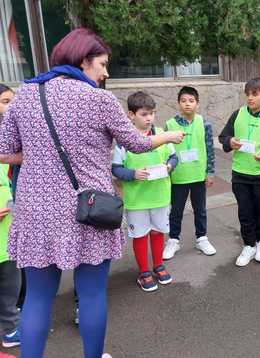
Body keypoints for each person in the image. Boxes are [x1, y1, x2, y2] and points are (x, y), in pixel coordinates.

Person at [0, 28, 184, 357]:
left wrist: (42, 156)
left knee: (38, 299)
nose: (106, 72)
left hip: (35, 208)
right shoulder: (99, 100)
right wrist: (169, 138)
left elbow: (4, 149)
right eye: (102, 64)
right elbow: (138, 143)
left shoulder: (25, 95)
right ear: (84, 61)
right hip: (88, 209)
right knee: (92, 295)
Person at [218, 77, 260, 267]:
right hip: (240, 175)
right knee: (245, 212)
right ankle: (249, 245)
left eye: (255, 94)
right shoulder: (237, 114)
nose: (250, 98)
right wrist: (230, 142)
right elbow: (223, 136)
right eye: (247, 94)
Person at [112, 91, 176, 292]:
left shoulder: (161, 135)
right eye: (144, 114)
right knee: (140, 235)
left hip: (160, 197)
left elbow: (174, 158)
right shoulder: (124, 140)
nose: (149, 118)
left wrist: (169, 167)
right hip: (137, 200)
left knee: (158, 232)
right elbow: (115, 169)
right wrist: (132, 174)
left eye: (152, 114)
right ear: (131, 115)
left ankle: (158, 265)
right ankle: (144, 272)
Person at [163, 86, 216, 260]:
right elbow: (166, 151)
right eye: (184, 101)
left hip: (199, 175)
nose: (188, 104)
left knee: (200, 209)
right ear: (178, 103)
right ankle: (173, 240)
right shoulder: (170, 124)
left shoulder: (204, 123)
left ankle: (202, 238)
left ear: (197, 104)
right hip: (178, 176)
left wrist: (210, 172)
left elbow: (209, 148)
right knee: (176, 210)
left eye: (191, 101)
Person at [0, 84, 20, 349]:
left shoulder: (14, 132)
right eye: (5, 101)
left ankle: (13, 320)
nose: (11, 107)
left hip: (10, 223)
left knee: (12, 280)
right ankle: (11, 326)